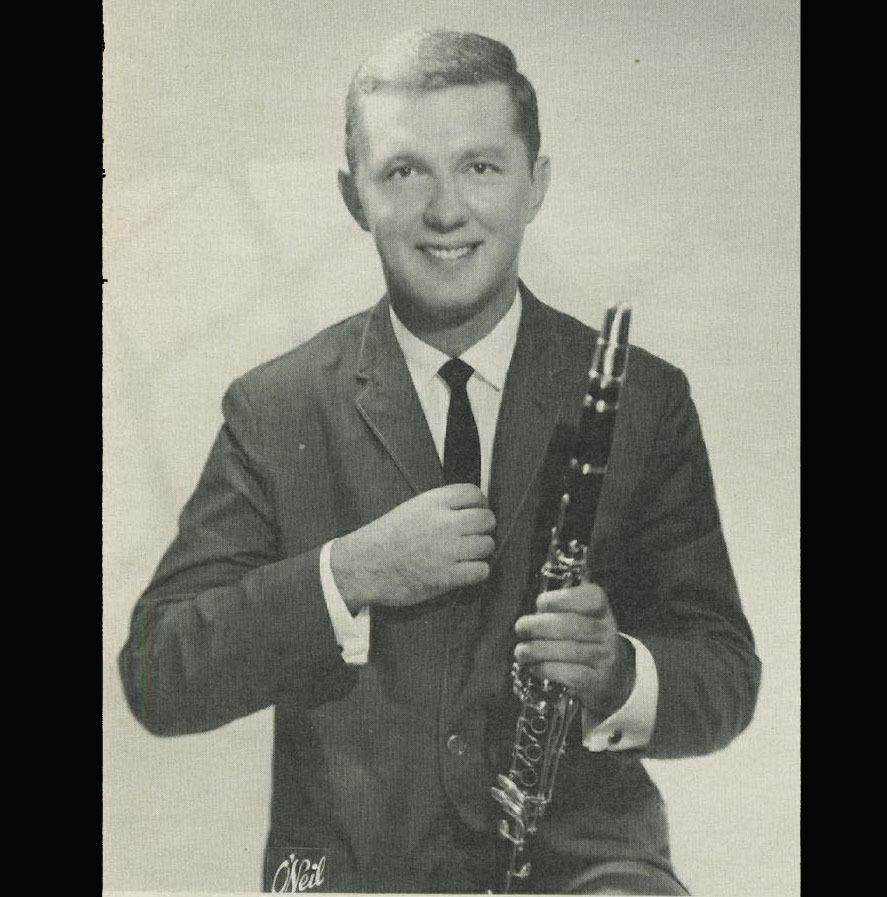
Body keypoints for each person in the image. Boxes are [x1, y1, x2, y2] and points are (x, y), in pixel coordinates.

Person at [119, 28, 761, 895]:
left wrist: (616, 669)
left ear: (536, 183)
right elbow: (159, 674)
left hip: (584, 869)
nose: (445, 210)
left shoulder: (645, 398)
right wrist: (347, 573)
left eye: (481, 167)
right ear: (353, 197)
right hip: (352, 873)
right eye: (403, 172)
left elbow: (724, 674)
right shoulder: (275, 407)